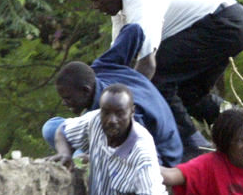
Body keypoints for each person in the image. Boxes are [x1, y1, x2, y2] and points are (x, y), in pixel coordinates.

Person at [78, 0, 243, 154]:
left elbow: (147, 65)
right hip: (227, 24)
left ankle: (195, 150)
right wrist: (98, 110)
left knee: (158, 80)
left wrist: (122, 108)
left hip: (226, 22)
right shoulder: (121, 11)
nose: (94, 6)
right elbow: (118, 65)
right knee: (188, 95)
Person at [43, 23, 183, 166]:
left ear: (85, 90)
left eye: (68, 98)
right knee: (51, 128)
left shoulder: (121, 112)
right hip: (122, 138)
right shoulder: (103, 66)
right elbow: (134, 30)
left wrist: (95, 158)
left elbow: (143, 152)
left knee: (80, 157)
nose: (65, 103)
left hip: (162, 155)